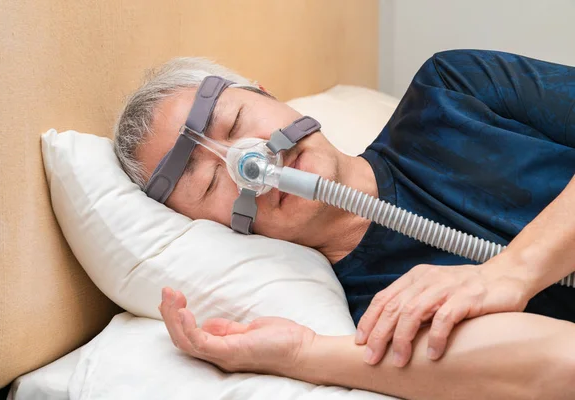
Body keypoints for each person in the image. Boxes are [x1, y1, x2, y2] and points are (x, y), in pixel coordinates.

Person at [115, 50, 575, 399]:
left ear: (266, 96)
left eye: (236, 121)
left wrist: (515, 268)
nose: (251, 158)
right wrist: (304, 353)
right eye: (213, 182)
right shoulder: (372, 309)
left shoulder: (451, 92)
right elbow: (559, 365)